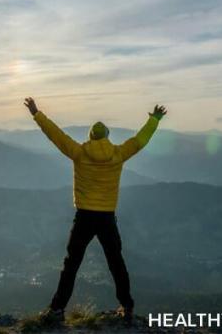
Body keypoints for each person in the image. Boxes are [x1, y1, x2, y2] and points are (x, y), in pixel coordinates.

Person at [23, 97, 166, 326]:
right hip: (107, 217)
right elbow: (141, 140)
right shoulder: (118, 153)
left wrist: (36, 114)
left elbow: (56, 135)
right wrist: (155, 119)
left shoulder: (79, 152)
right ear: (108, 137)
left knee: (71, 264)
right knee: (116, 262)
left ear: (90, 137)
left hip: (84, 217)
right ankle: (127, 306)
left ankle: (57, 309)